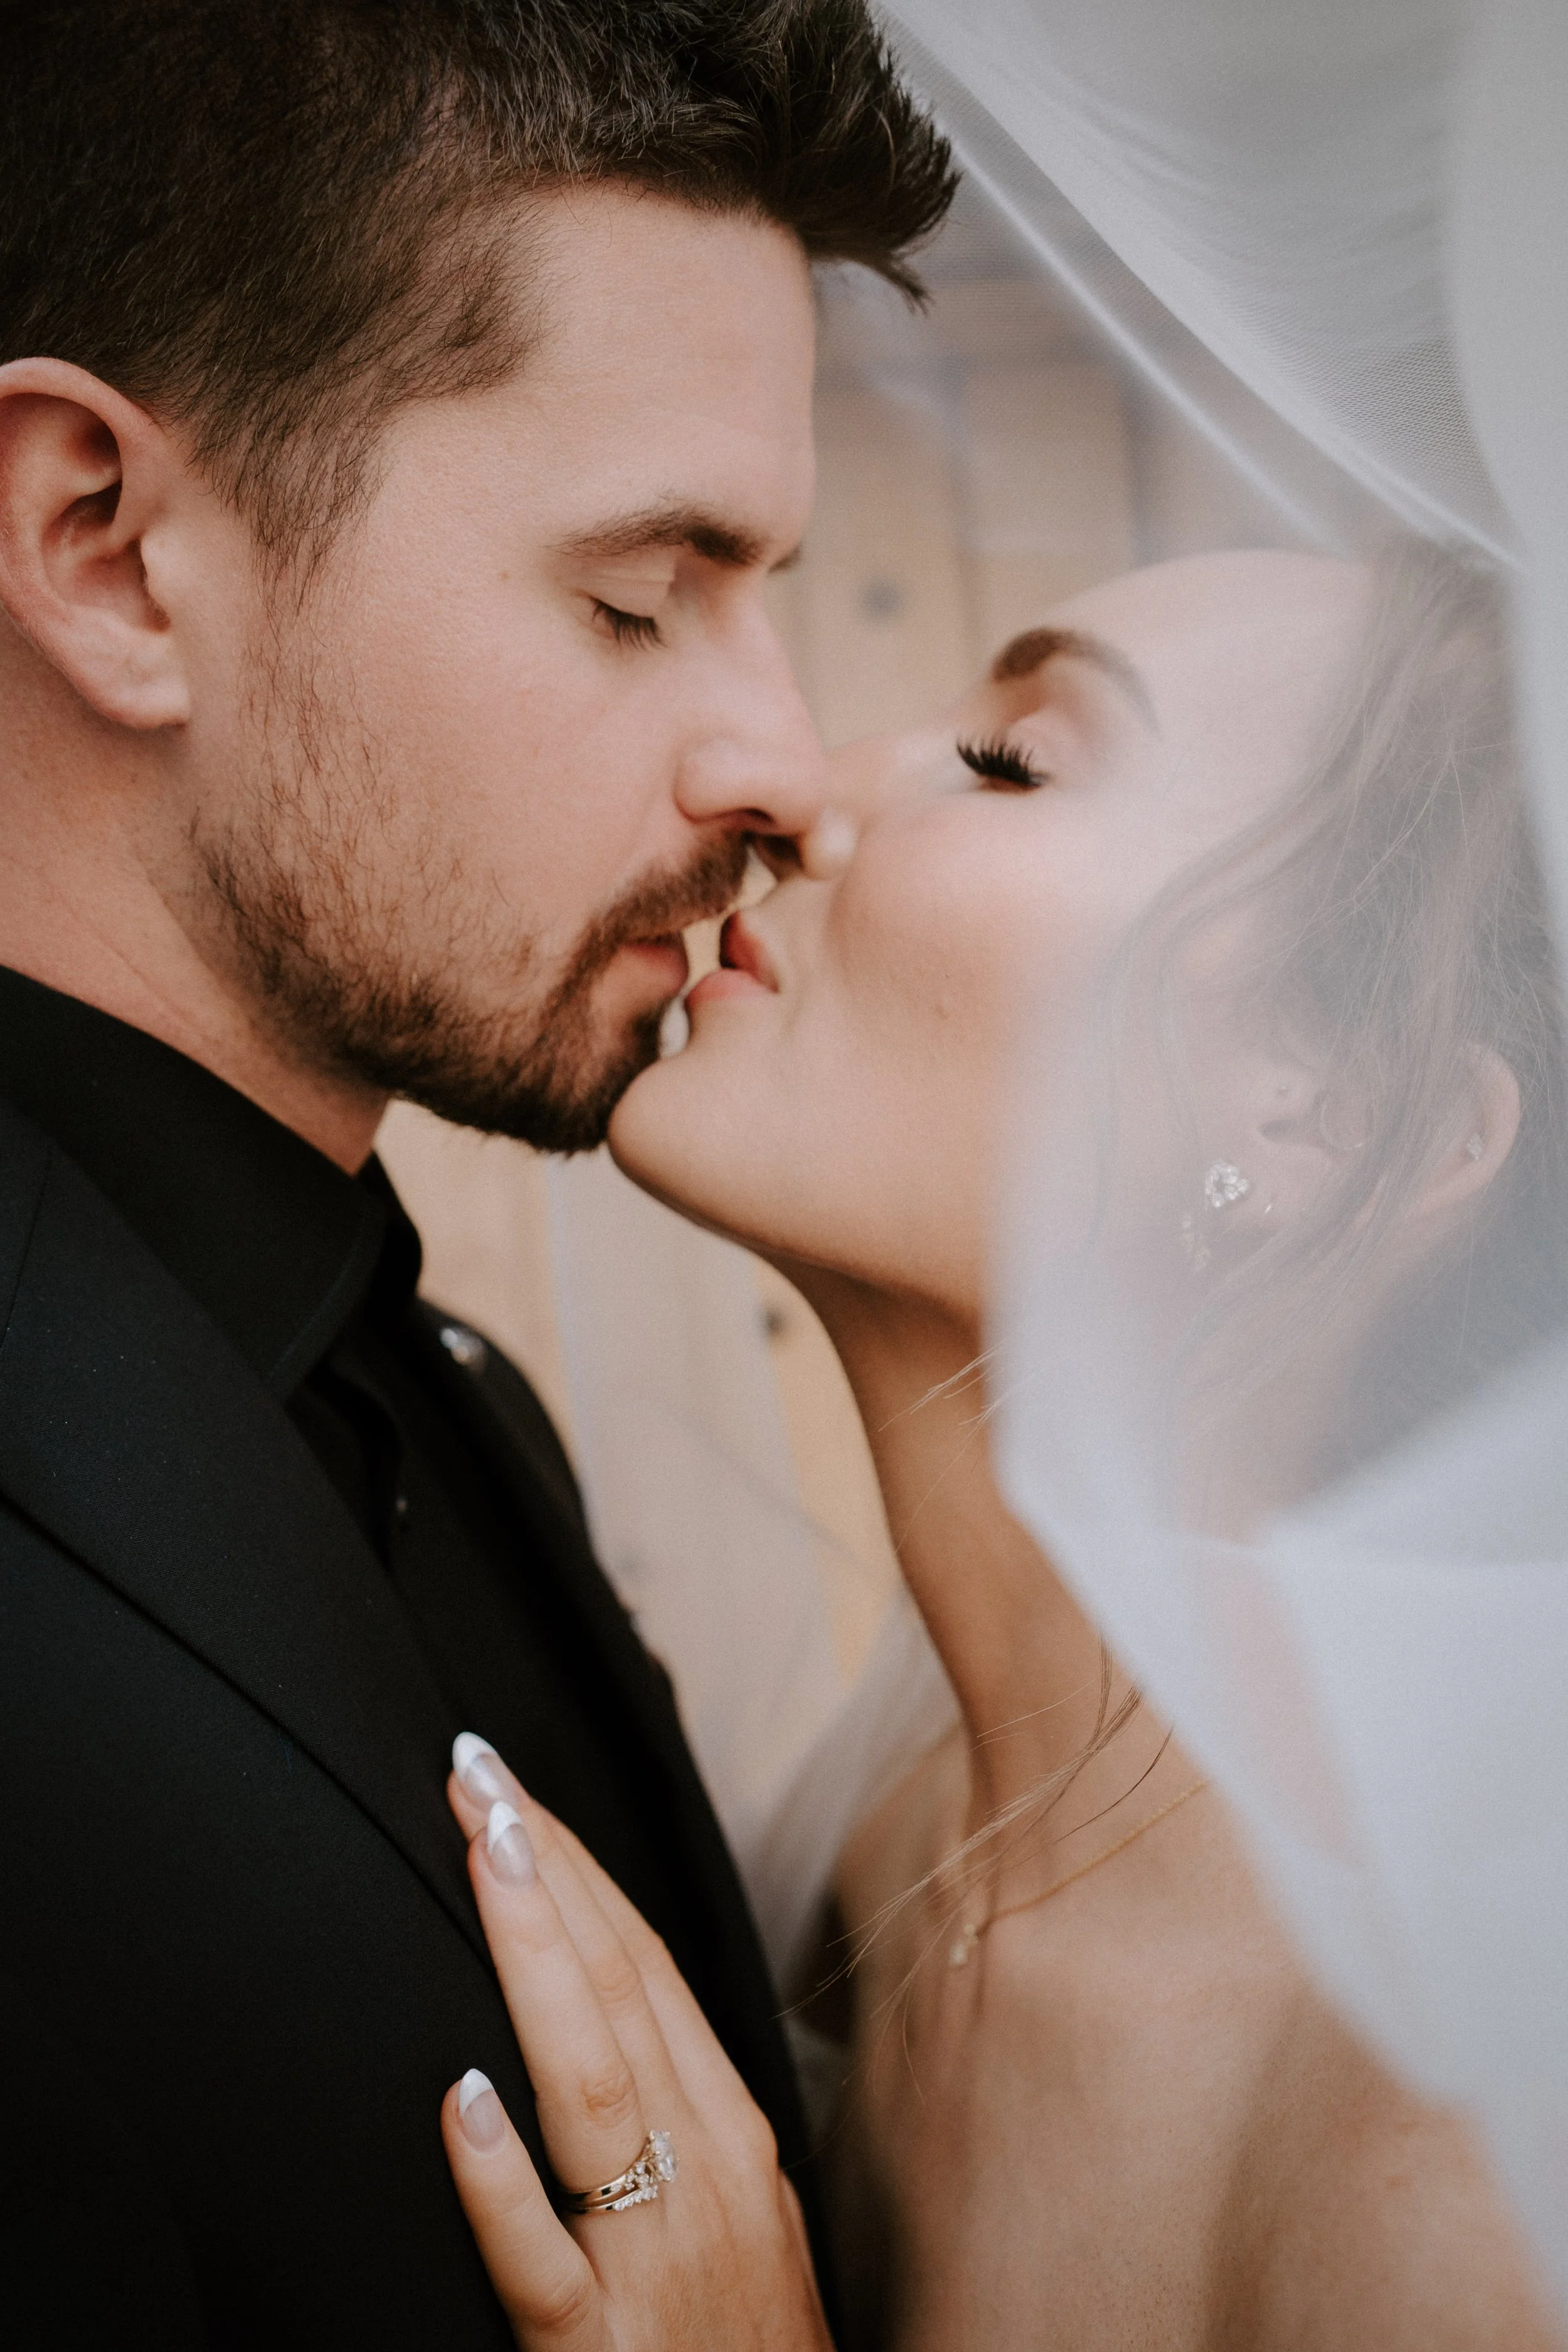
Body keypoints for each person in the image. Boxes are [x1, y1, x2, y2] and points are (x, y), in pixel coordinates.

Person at [0, 5, 956, 2344]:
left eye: (770, 592)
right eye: (638, 597)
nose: (774, 748)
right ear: (106, 550)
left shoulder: (449, 1402)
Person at [439, 543, 1564, 2347]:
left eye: (1011, 759)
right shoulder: (881, 1864)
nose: (801, 794)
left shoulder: (1467, 2168)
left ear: (1330, 1117)